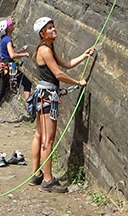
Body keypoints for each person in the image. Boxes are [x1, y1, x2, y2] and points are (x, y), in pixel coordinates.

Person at [29, 16, 95, 192]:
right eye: (49, 28)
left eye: (53, 27)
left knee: (39, 135)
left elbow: (66, 64)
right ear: (43, 33)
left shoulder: (48, 48)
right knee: (47, 140)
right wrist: (77, 83)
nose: (53, 30)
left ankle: (37, 174)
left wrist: (84, 55)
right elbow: (59, 74)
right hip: (47, 98)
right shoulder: (44, 50)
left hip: (43, 95)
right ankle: (47, 180)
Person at [0, 18, 32, 124]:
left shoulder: (3, 40)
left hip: (4, 68)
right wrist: (24, 54)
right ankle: (30, 109)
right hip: (10, 68)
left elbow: (9, 54)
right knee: (27, 84)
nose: (13, 26)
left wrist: (20, 50)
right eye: (11, 25)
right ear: (7, 29)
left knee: (0, 92)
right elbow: (12, 55)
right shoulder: (8, 40)